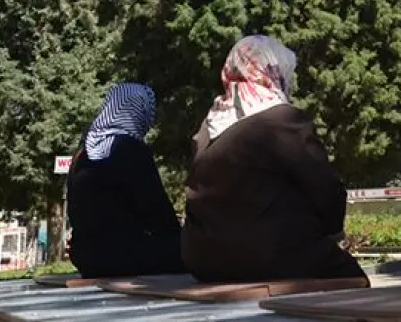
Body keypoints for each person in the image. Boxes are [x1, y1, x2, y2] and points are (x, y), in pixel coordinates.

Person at [182, 35, 367, 284]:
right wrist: (331, 232)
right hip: (269, 254)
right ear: (272, 70)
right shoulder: (282, 120)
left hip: (202, 259)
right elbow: (325, 188)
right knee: (353, 278)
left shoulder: (208, 127)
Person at [66, 82, 184, 278]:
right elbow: (159, 215)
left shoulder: (83, 153)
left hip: (85, 257)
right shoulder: (129, 149)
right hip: (122, 255)